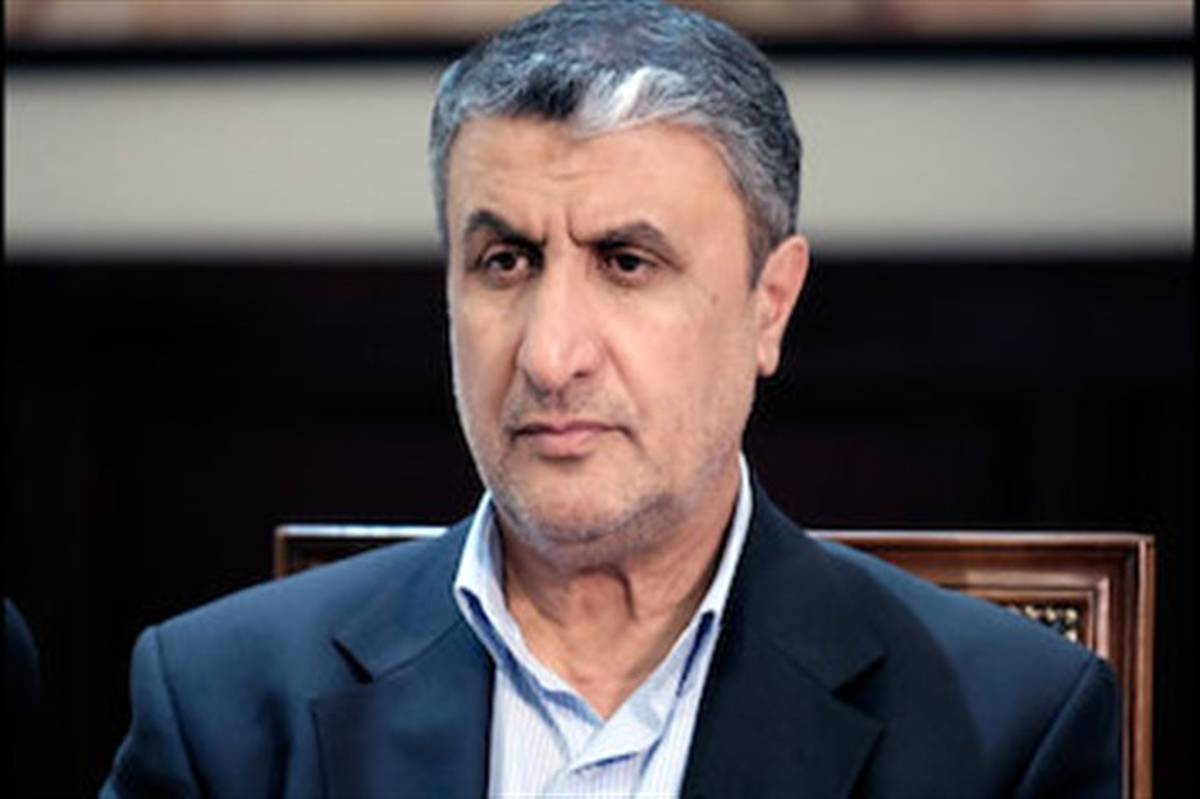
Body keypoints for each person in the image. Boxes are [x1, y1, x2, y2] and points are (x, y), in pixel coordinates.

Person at [102, 1, 1121, 796]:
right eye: (505, 261)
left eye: (627, 262)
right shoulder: (221, 703)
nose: (551, 356)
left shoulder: (1004, 725)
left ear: (769, 306)